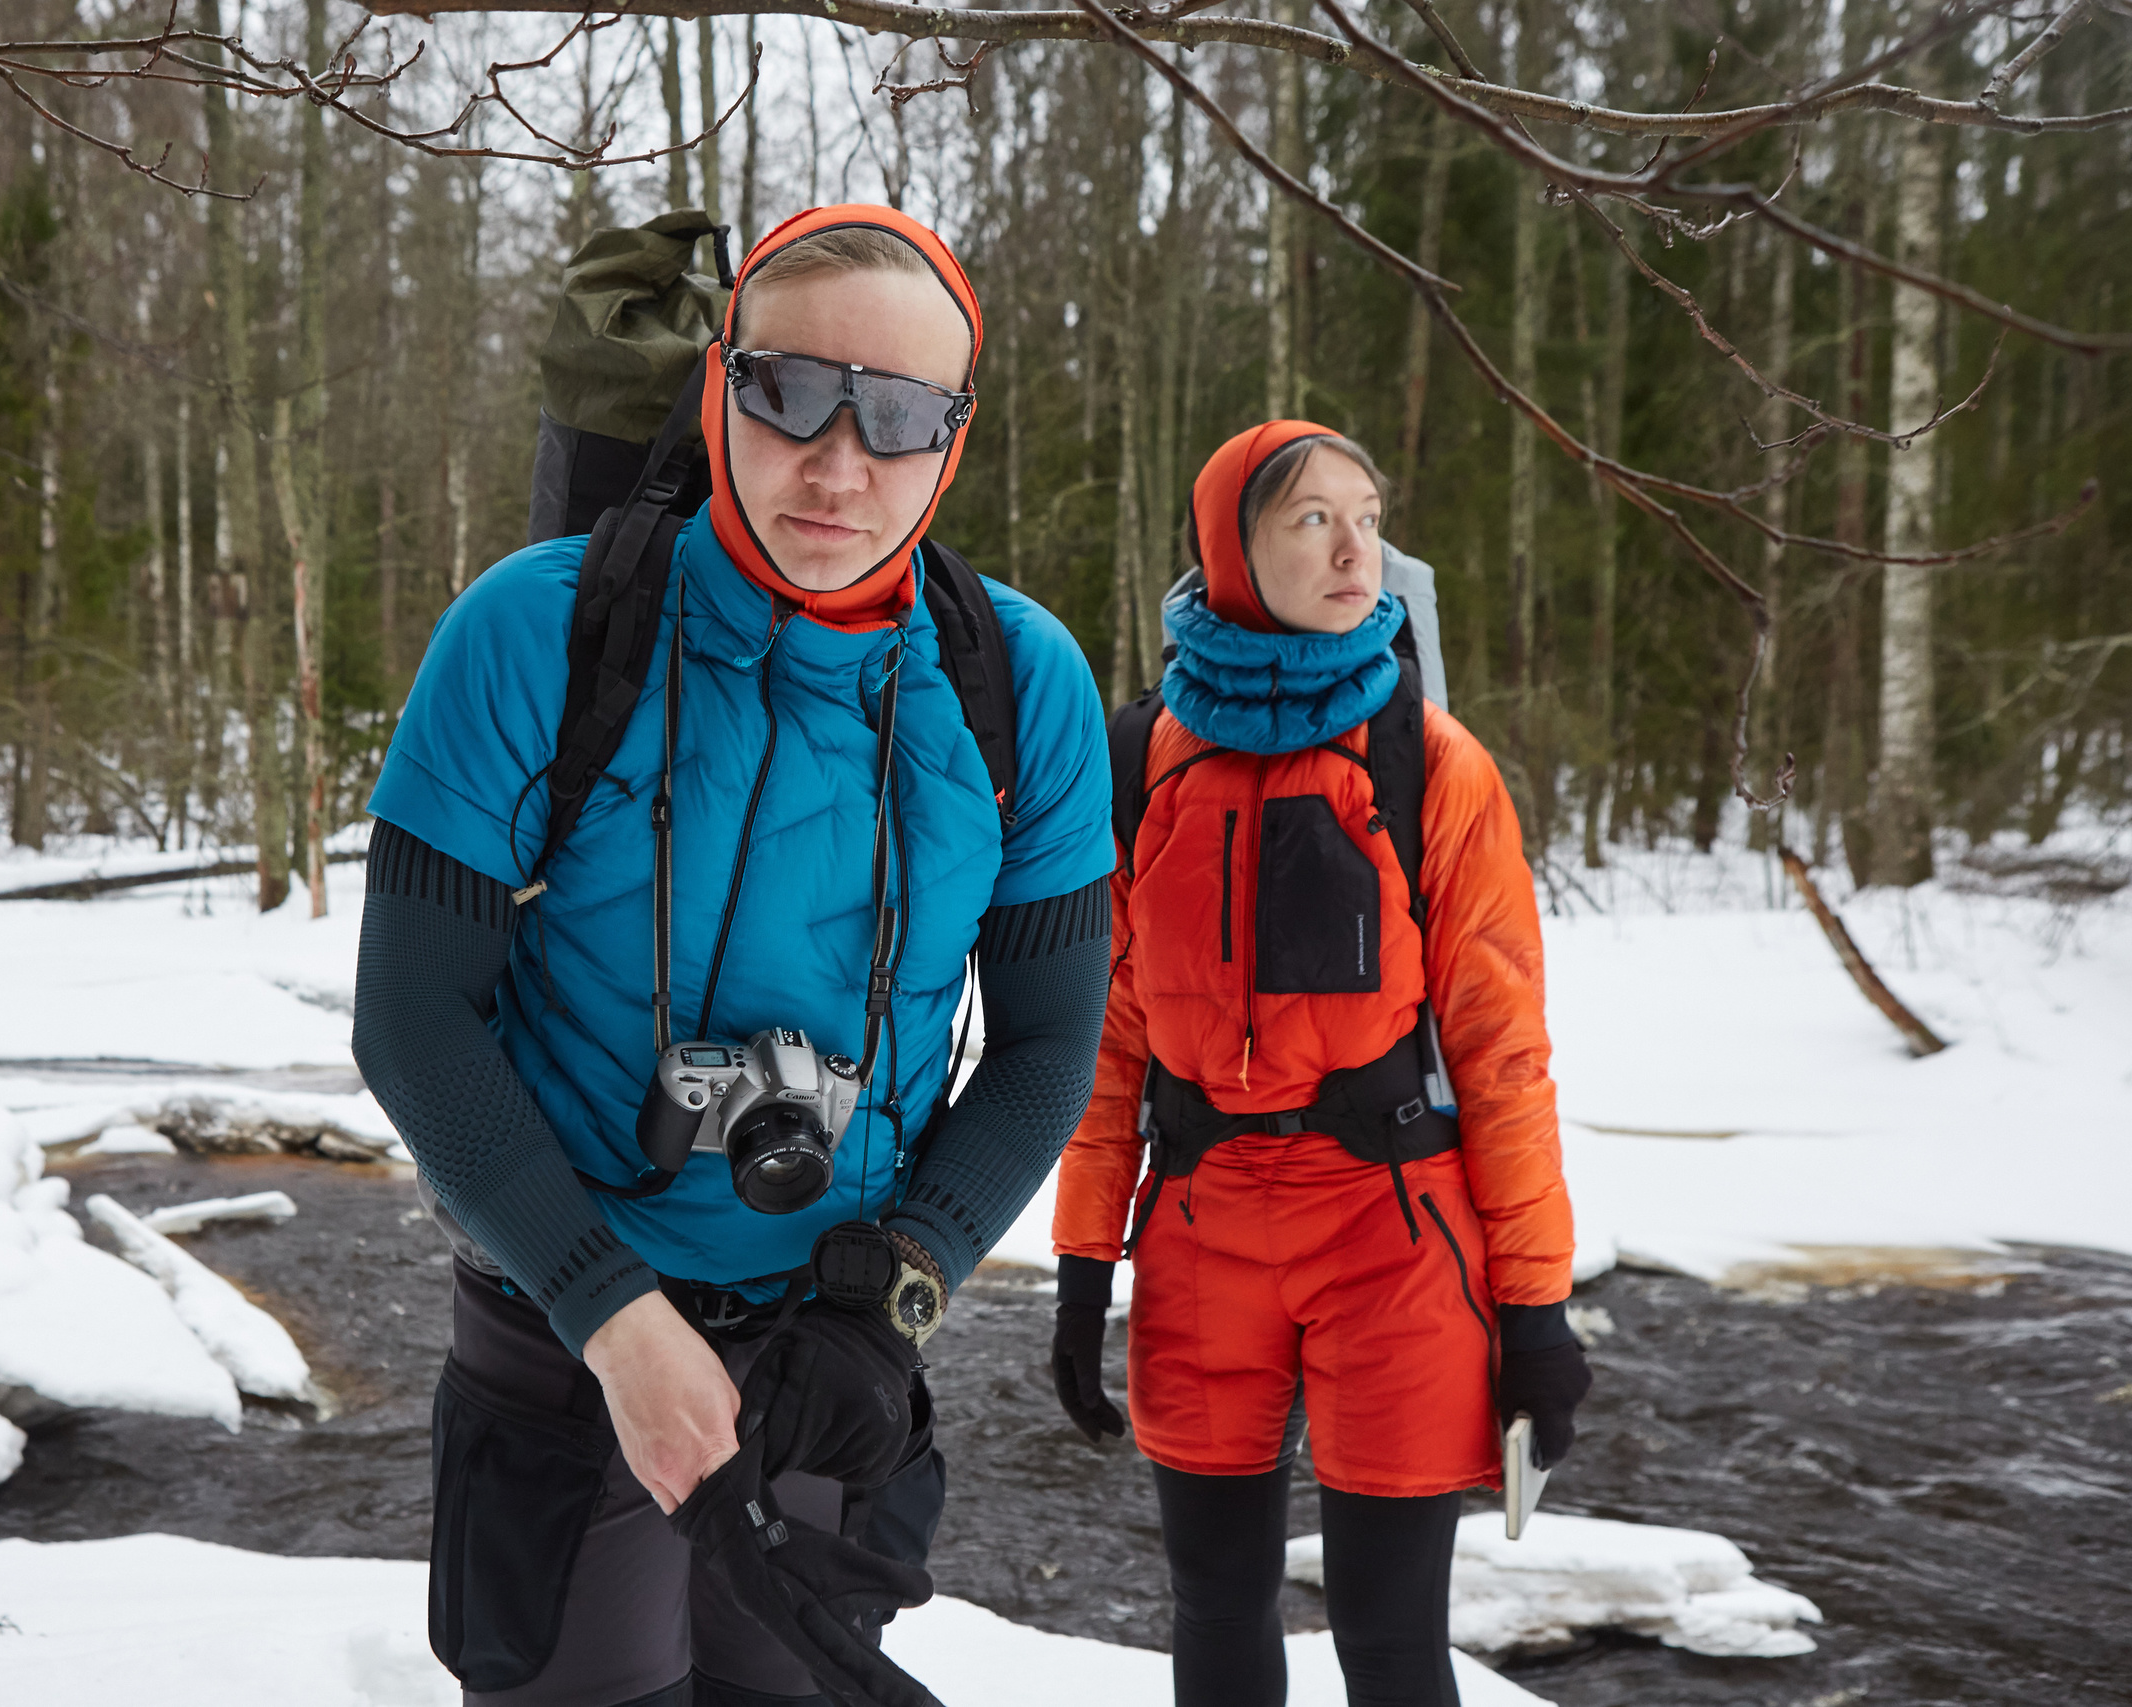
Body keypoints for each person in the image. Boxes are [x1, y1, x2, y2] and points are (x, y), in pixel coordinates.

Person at [354, 204, 1115, 1707]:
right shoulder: (541, 629)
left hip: (831, 1344)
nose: (839, 464)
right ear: (720, 385)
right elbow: (413, 1016)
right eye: (791, 392)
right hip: (558, 1320)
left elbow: (1046, 1048)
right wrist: (612, 1318)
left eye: (897, 415)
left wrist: (897, 1290)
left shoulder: (1022, 684)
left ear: (954, 437)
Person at [1047, 421, 1592, 1706]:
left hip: (1392, 1238)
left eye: (1367, 514)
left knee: (1390, 1641)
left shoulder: (1431, 766)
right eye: (1310, 519)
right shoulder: (1142, 762)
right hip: (1200, 1232)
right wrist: (1079, 1271)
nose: (1357, 548)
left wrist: (1536, 1310)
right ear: (1232, 547)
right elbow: (1109, 1040)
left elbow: (1503, 1054)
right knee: (1217, 1610)